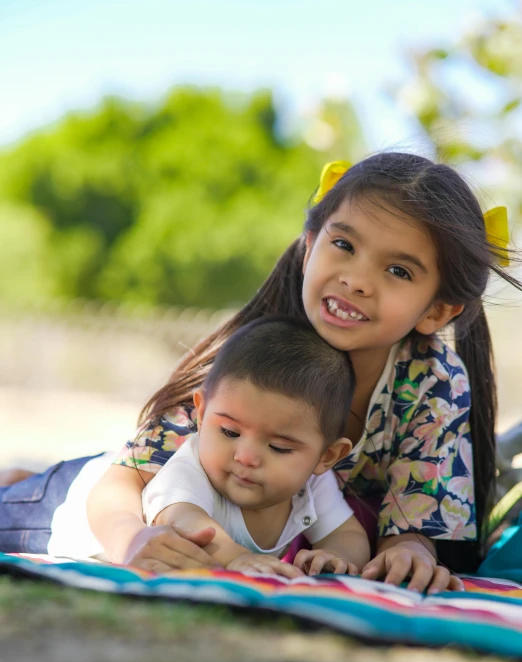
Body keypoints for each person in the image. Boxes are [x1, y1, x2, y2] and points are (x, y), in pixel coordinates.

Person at [2, 152, 519, 590]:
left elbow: (411, 517)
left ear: (436, 311)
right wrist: (131, 540)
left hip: (279, 530)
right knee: (20, 508)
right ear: (310, 243)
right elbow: (127, 480)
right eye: (344, 244)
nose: (357, 280)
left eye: (398, 270)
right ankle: (21, 484)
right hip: (107, 506)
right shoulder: (256, 357)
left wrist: (411, 550)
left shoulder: (432, 381)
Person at [137, 316, 370, 578]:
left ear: (327, 456)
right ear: (201, 415)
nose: (246, 457)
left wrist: (337, 555)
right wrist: (236, 558)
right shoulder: (188, 470)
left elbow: (346, 533)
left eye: (279, 447)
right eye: (229, 432)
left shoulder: (312, 483)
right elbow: (184, 521)